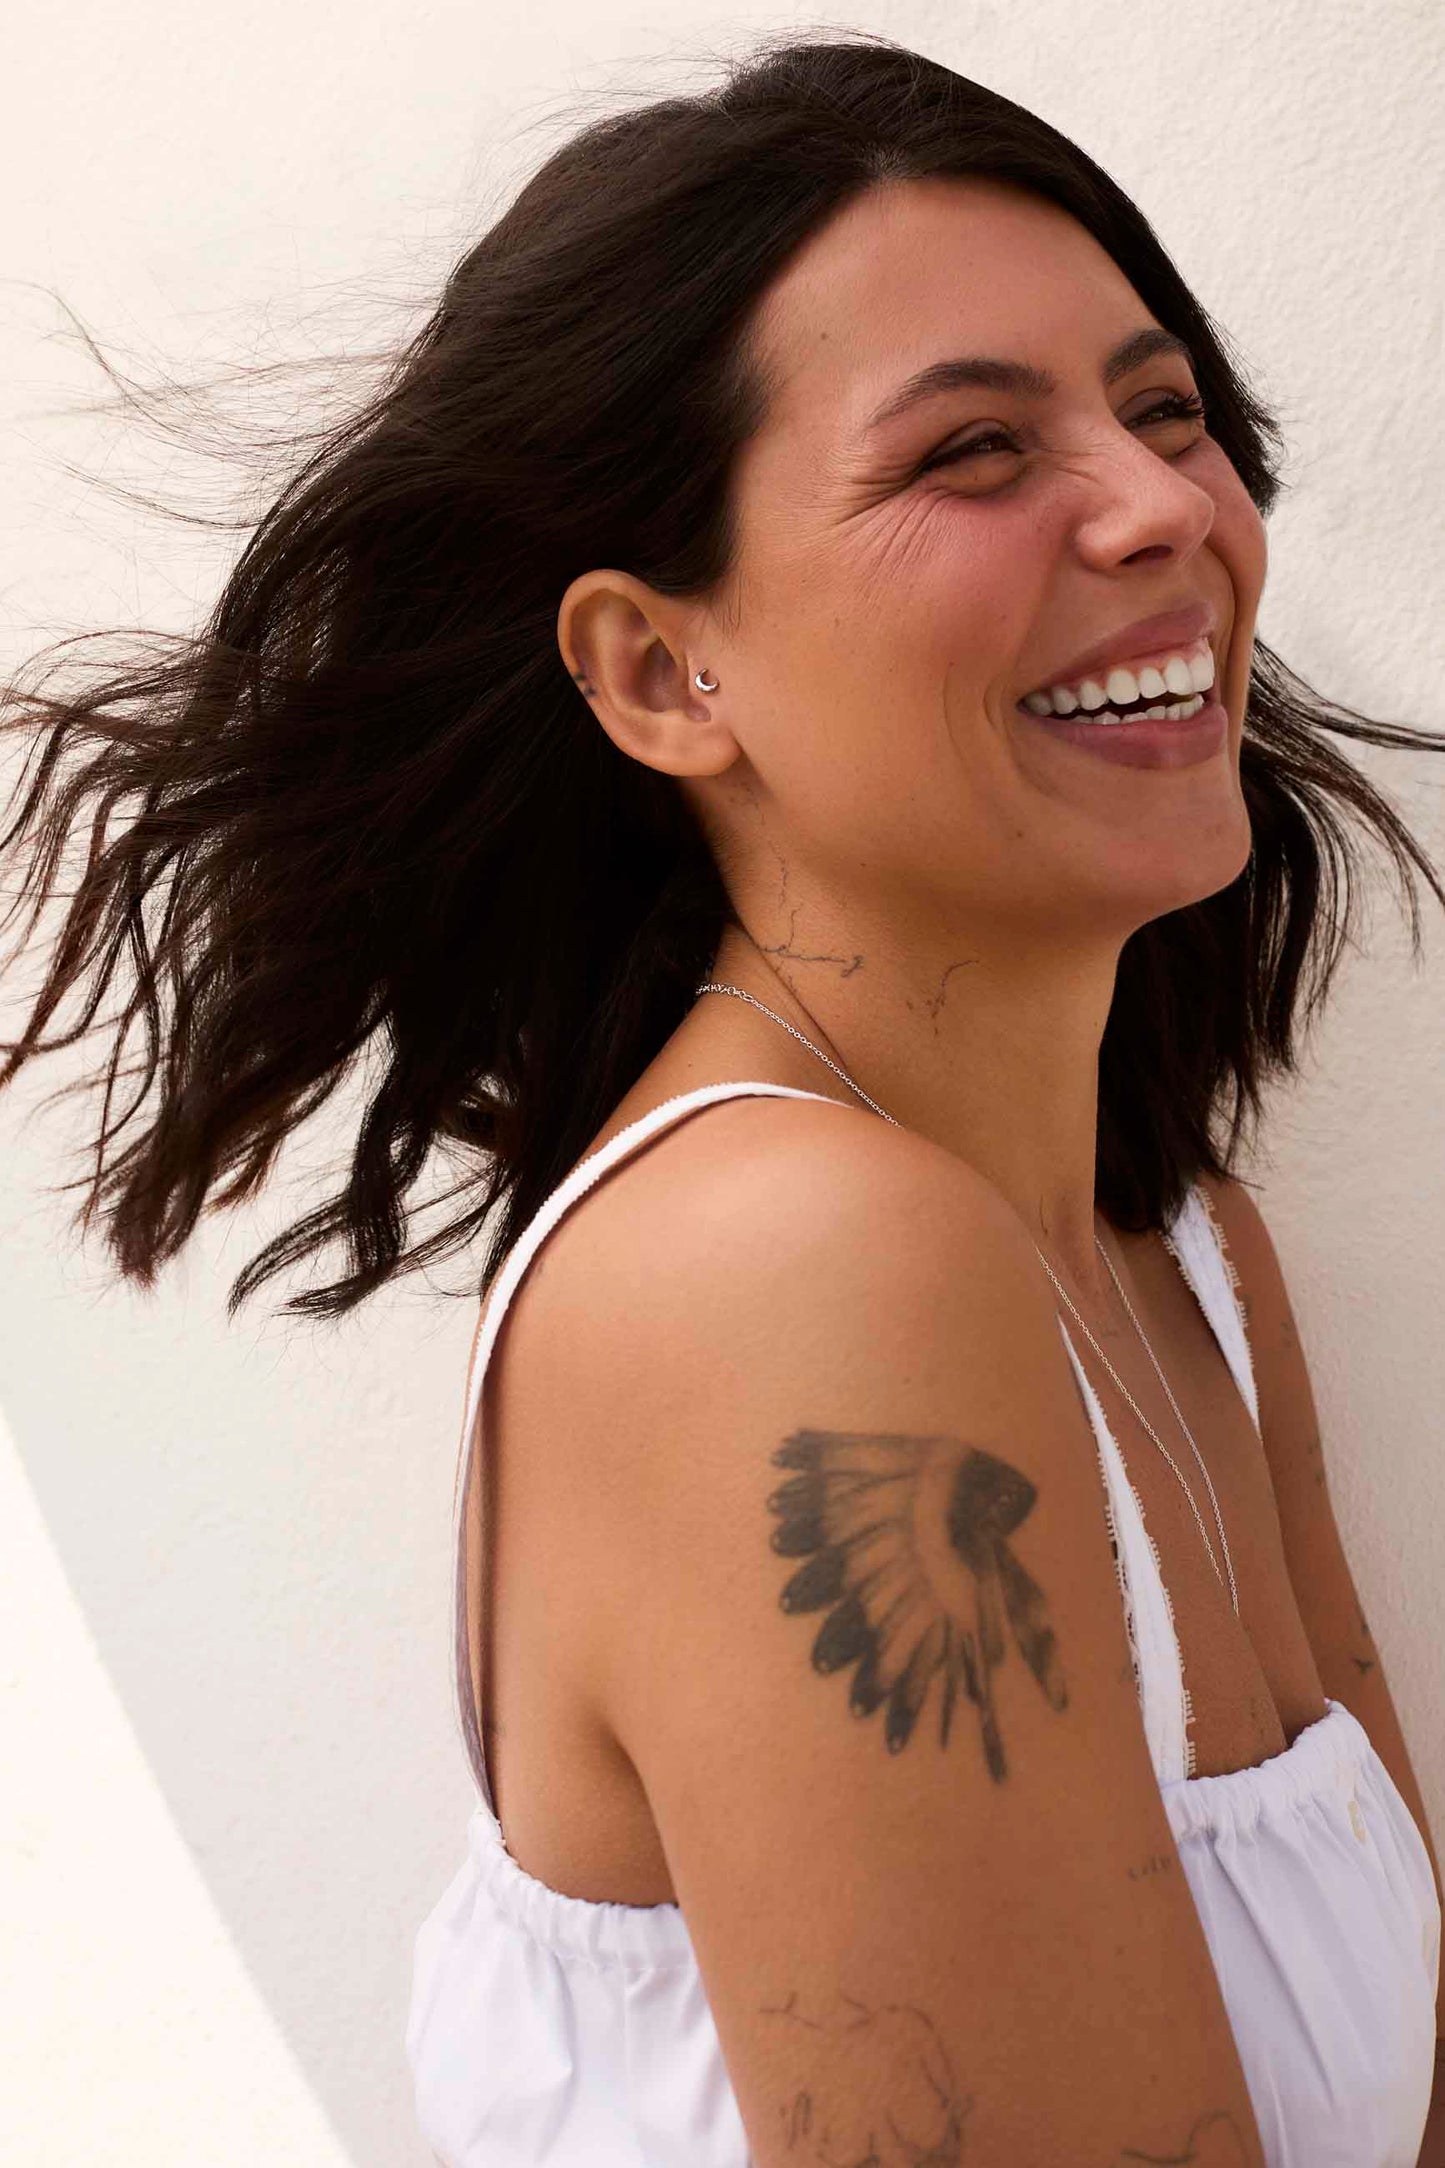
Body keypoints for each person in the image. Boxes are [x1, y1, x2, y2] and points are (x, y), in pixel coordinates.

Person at [2, 31, 1442, 2168]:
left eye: (1165, 411)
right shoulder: (796, 1273)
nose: (1166, 505)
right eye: (973, 450)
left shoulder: (1186, 1267)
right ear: (660, 672)